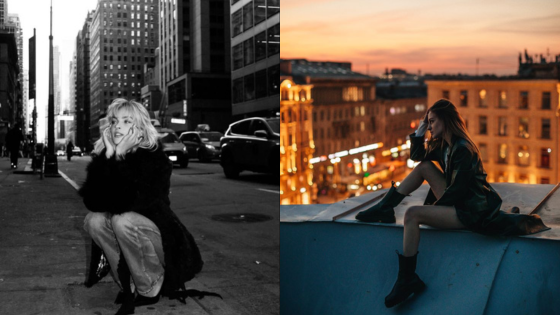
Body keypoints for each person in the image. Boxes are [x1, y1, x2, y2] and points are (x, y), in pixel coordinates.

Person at [355, 99, 549, 308]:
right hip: (462, 201)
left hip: (470, 211)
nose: (429, 127)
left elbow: (458, 191)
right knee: (425, 167)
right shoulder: (446, 145)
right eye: (427, 123)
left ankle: (407, 279)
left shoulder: (463, 149)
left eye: (432, 122)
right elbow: (417, 157)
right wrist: (419, 131)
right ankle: (386, 207)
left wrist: (431, 210)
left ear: (446, 121)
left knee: (412, 214)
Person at [79, 98, 203, 315]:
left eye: (127, 121)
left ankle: (150, 285)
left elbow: (131, 202)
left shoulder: (156, 160)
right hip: (129, 230)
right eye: (115, 121)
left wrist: (118, 158)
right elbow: (93, 202)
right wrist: (109, 156)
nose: (118, 126)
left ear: (140, 128)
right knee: (94, 220)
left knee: (122, 219)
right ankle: (130, 284)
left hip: (162, 240)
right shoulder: (107, 157)